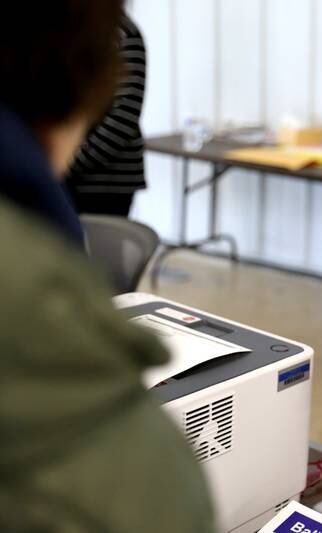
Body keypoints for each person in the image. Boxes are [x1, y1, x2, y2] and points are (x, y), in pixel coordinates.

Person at [0, 2, 215, 532]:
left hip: (101, 184)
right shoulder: (133, 477)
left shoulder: (124, 38)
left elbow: (120, 120)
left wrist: (57, 175)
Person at [66, 12, 147, 216]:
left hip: (104, 185)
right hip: (60, 177)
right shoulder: (60, 32)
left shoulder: (121, 34)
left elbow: (120, 122)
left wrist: (63, 163)